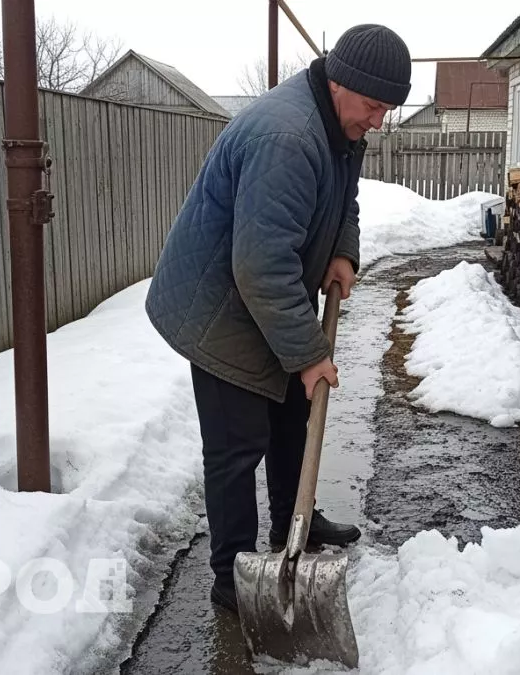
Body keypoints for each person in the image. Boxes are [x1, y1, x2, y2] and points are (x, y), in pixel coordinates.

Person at [144, 24, 412, 613]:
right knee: (238, 447)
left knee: (294, 415)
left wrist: (343, 248)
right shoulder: (287, 136)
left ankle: (297, 522)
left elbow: (344, 196)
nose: (379, 121)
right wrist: (311, 353)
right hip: (220, 310)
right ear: (341, 82)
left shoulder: (338, 120)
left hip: (266, 296)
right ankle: (233, 576)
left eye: (387, 109)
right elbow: (261, 268)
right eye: (373, 107)